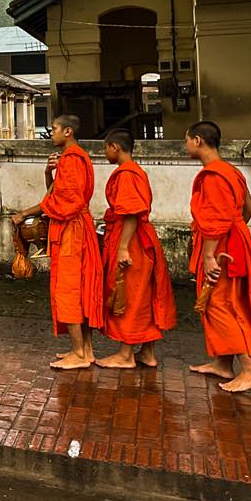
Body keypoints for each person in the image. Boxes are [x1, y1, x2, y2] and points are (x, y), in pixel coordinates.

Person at [186, 120, 251, 392]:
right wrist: (236, 234)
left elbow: (216, 219)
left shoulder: (214, 176)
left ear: (198, 140)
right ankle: (223, 363)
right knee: (226, 300)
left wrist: (209, 255)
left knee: (219, 303)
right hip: (235, 242)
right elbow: (247, 208)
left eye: (187, 140)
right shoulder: (230, 171)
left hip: (220, 248)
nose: (185, 145)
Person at [12, 115, 103, 369]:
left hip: (72, 230)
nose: (49, 133)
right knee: (78, 289)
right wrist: (47, 173)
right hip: (74, 227)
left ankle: (79, 354)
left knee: (69, 290)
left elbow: (65, 202)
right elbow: (54, 194)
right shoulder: (71, 158)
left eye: (53, 129)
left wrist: (24, 214)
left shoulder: (73, 159)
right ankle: (86, 349)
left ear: (68, 131)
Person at [96, 129, 176, 369]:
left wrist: (122, 248)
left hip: (132, 240)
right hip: (141, 239)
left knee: (128, 293)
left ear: (115, 147)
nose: (105, 153)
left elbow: (130, 213)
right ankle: (148, 352)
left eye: (105, 148)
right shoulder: (136, 171)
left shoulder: (127, 174)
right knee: (145, 293)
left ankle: (125, 354)